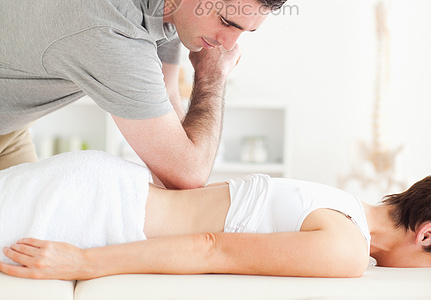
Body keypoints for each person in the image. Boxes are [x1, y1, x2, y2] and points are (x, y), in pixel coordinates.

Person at [0, 0, 291, 187]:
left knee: (25, 238)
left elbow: (168, 100)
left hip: (9, 127)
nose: (229, 45)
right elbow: (187, 175)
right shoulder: (112, 27)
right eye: (226, 22)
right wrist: (212, 76)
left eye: (245, 31)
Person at [0, 150, 429, 280]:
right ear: (426, 235)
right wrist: (82, 262)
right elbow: (213, 249)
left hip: (102, 184)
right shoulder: (347, 247)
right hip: (95, 213)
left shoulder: (339, 203)